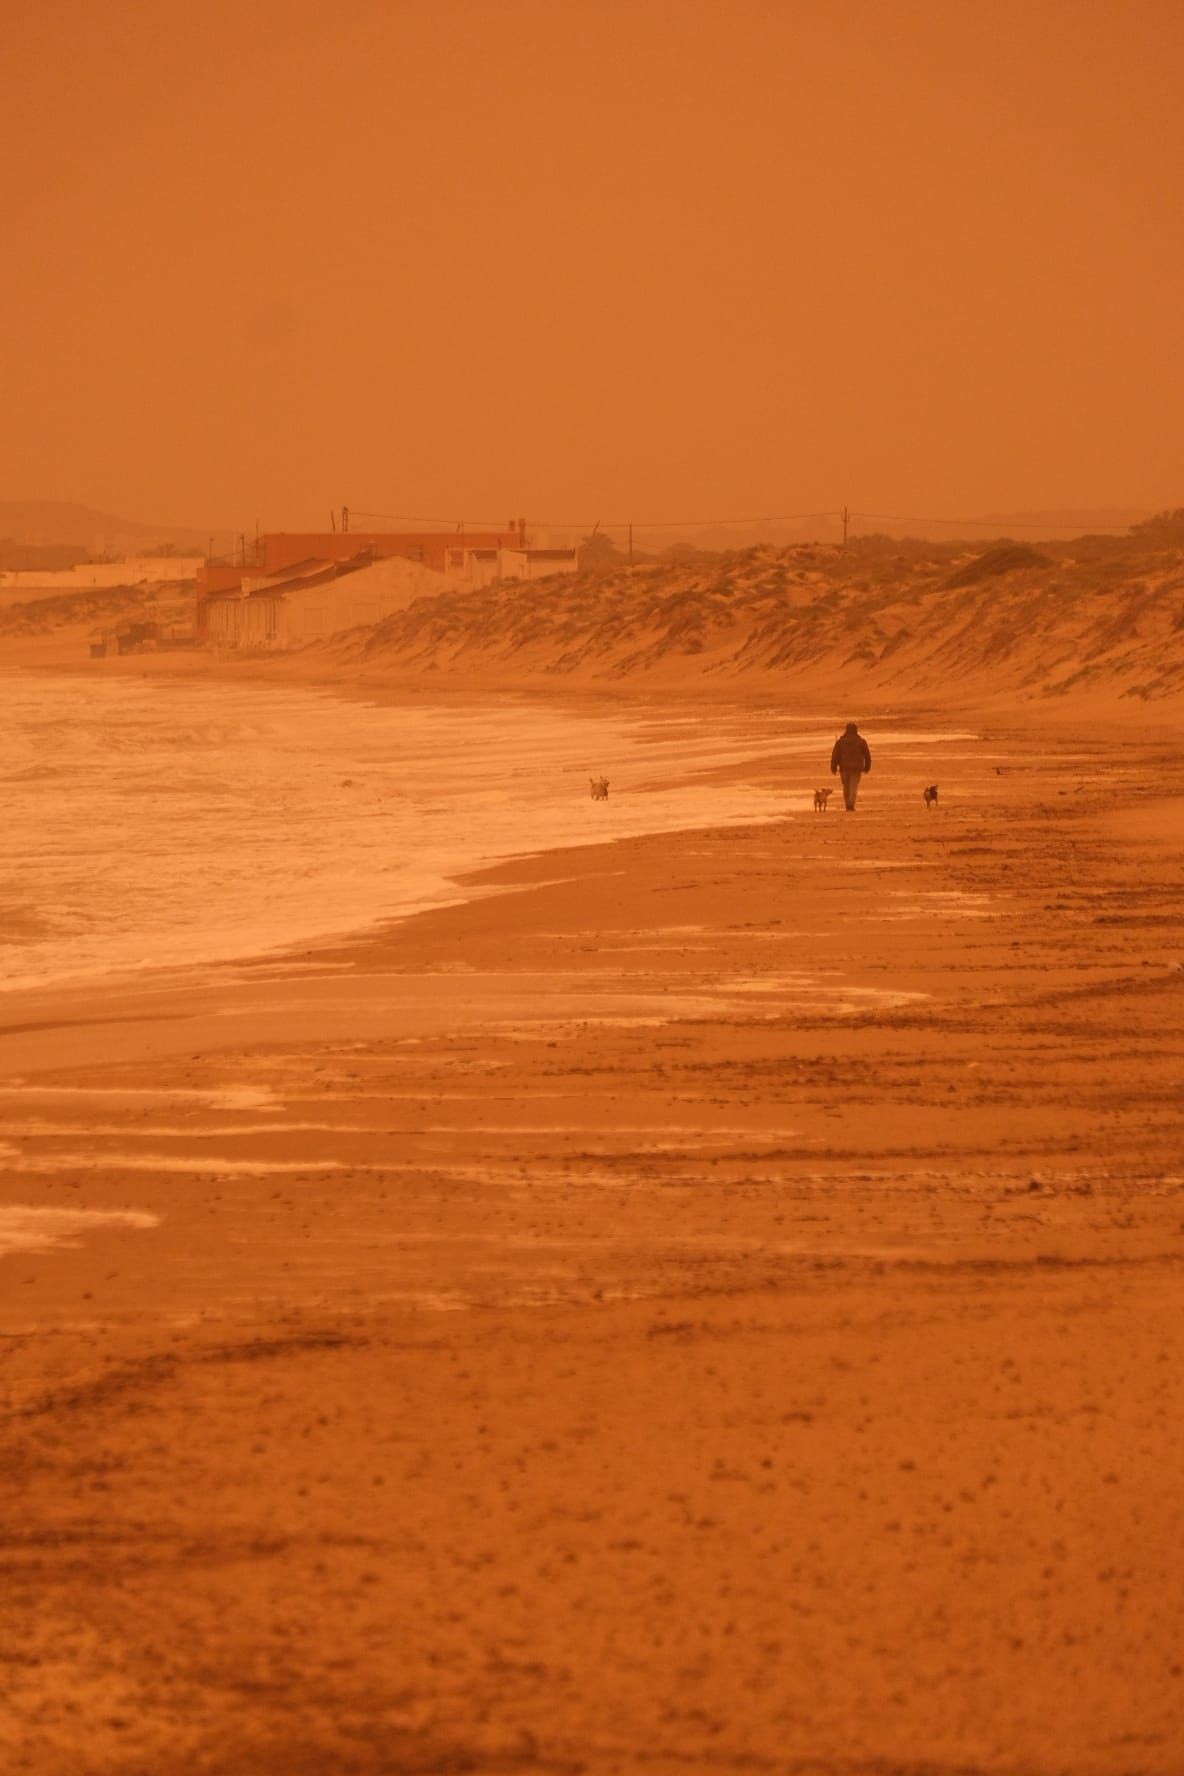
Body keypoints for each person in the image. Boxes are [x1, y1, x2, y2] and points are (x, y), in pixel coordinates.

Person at [830, 721, 871, 811]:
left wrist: (833, 766)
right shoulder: (861, 742)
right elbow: (867, 755)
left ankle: (847, 804)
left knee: (846, 786)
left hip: (844, 767)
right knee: (853, 786)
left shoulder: (840, 742)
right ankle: (851, 804)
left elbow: (835, 755)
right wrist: (867, 767)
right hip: (857, 768)